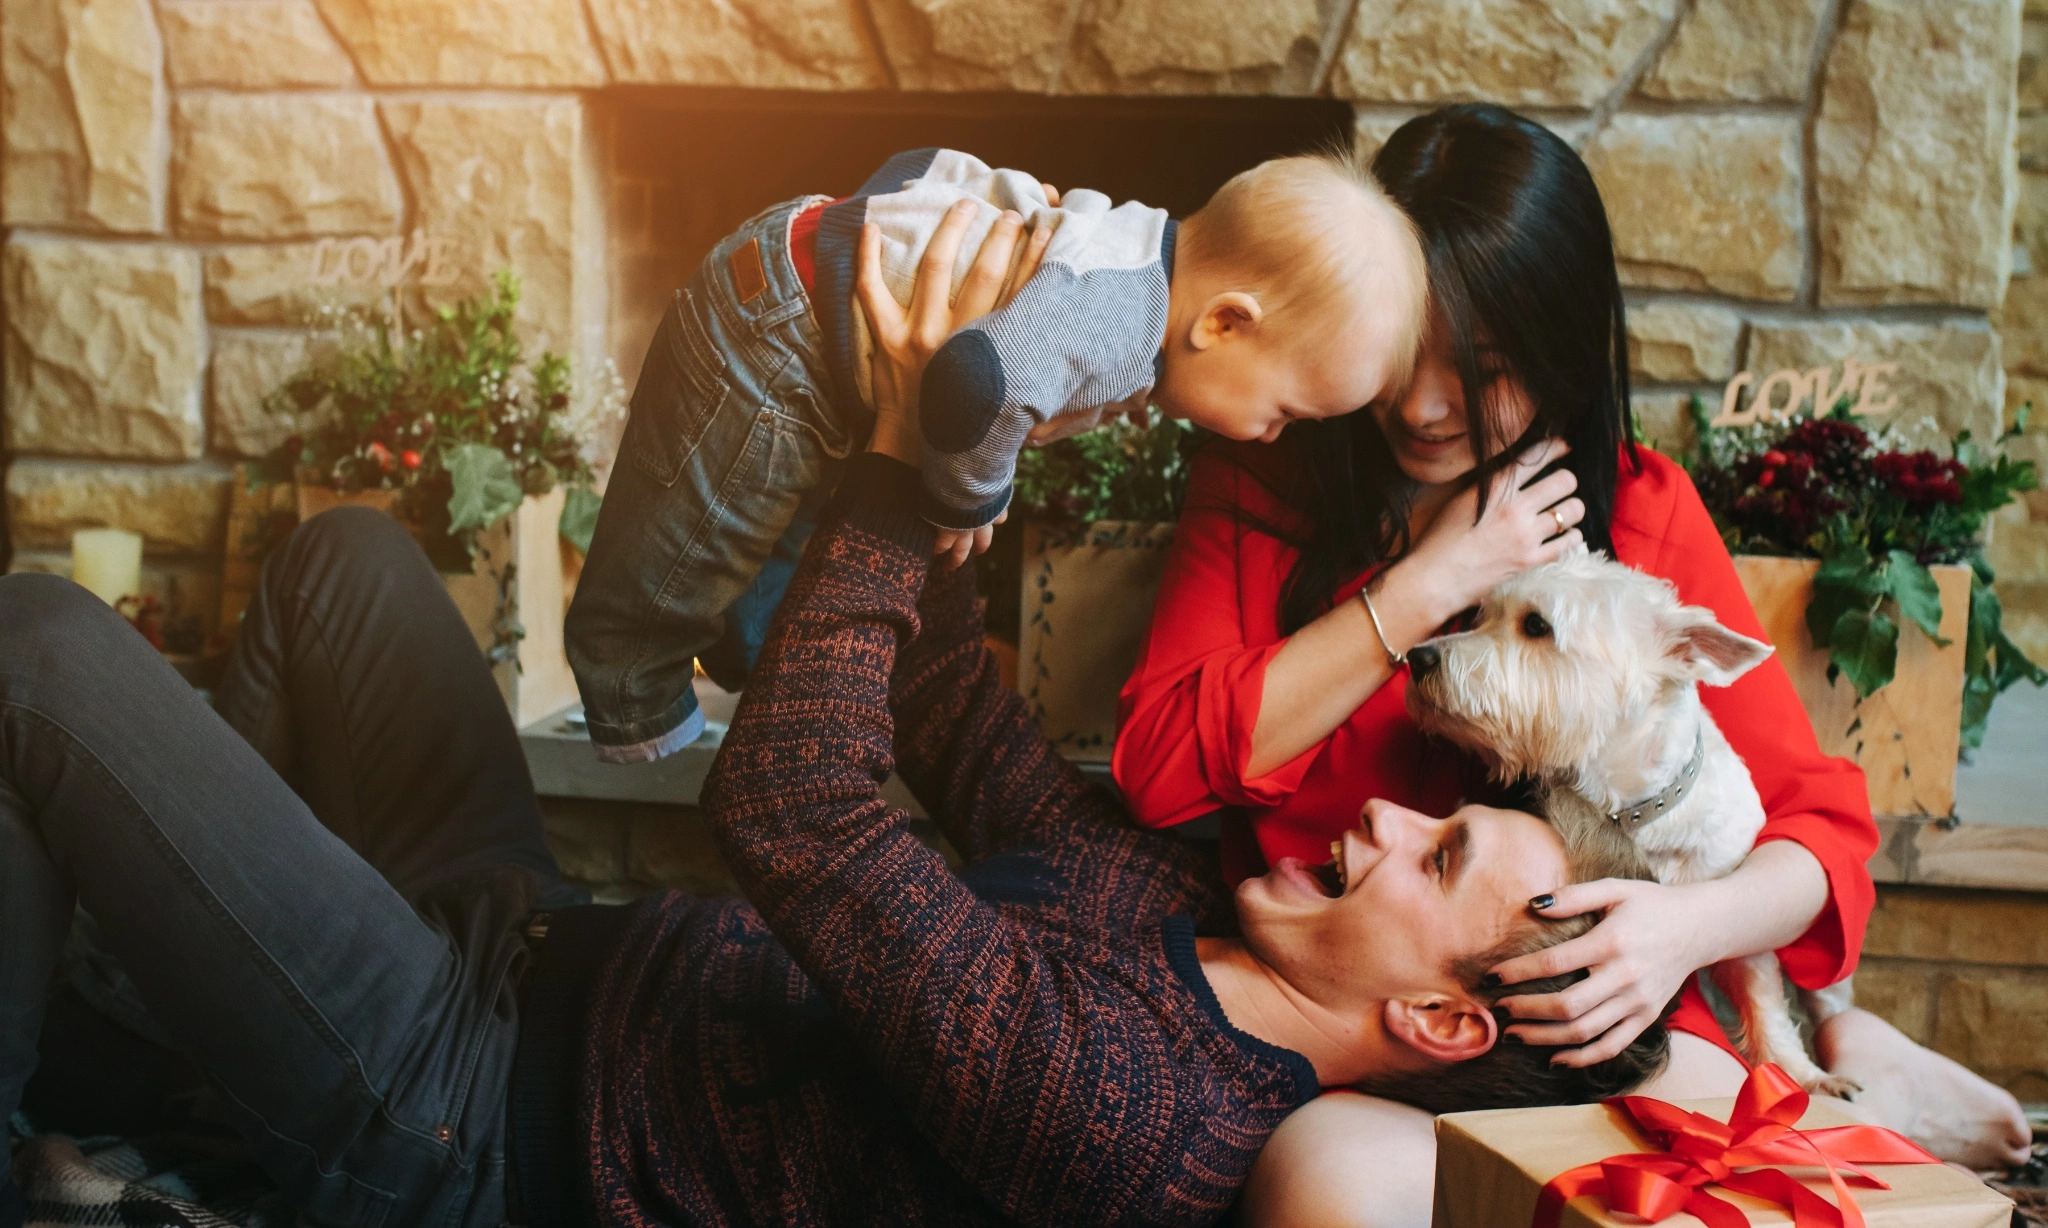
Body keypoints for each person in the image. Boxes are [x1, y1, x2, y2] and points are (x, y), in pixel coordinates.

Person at [0, 209, 1651, 1228]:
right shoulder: (1174, 890)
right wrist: (959, 434)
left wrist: (892, 482)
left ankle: (137, 1080)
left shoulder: (1138, 1122)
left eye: (1435, 857)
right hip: (539, 946)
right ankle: (149, 1023)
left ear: (1441, 1024)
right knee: (346, 561)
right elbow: (938, 699)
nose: (1377, 815)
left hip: (469, 1116)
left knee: (37, 647)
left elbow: (794, 801)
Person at [1112, 103, 2033, 1227]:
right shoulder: (1263, 475)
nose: (1423, 404)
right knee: (1328, 1181)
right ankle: (1852, 1058)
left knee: (1725, 1180)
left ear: (1561, 358)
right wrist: (1429, 584)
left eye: (1485, 368)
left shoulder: (1638, 512)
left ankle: (1849, 1058)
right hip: (1359, 1016)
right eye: (1406, 349)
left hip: (1600, 1020)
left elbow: (1816, 831)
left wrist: (1679, 933)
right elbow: (1160, 770)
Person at [565, 146, 1429, 766]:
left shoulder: (1136, 252)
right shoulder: (1122, 321)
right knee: (687, 547)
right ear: (1225, 323)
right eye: (1284, 413)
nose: (1272, 436)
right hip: (779, 329)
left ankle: (744, 663)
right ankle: (636, 715)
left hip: (819, 330)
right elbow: (977, 383)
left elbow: (923, 170)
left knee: (776, 558)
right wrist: (971, 498)